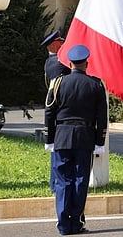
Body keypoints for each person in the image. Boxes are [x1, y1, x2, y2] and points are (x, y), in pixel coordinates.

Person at [44, 44, 108, 235]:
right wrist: (99, 142)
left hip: (62, 137)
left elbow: (49, 112)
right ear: (86, 64)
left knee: (63, 180)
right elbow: (101, 117)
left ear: (69, 63)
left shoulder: (57, 83)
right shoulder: (95, 85)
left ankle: (64, 225)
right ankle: (77, 221)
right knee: (80, 180)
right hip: (85, 137)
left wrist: (49, 138)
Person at [41, 30, 71, 194]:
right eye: (60, 42)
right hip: (61, 110)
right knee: (59, 150)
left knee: (56, 148)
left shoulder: (49, 62)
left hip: (55, 109)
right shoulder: (59, 62)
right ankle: (56, 183)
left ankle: (55, 182)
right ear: (53, 45)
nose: (63, 44)